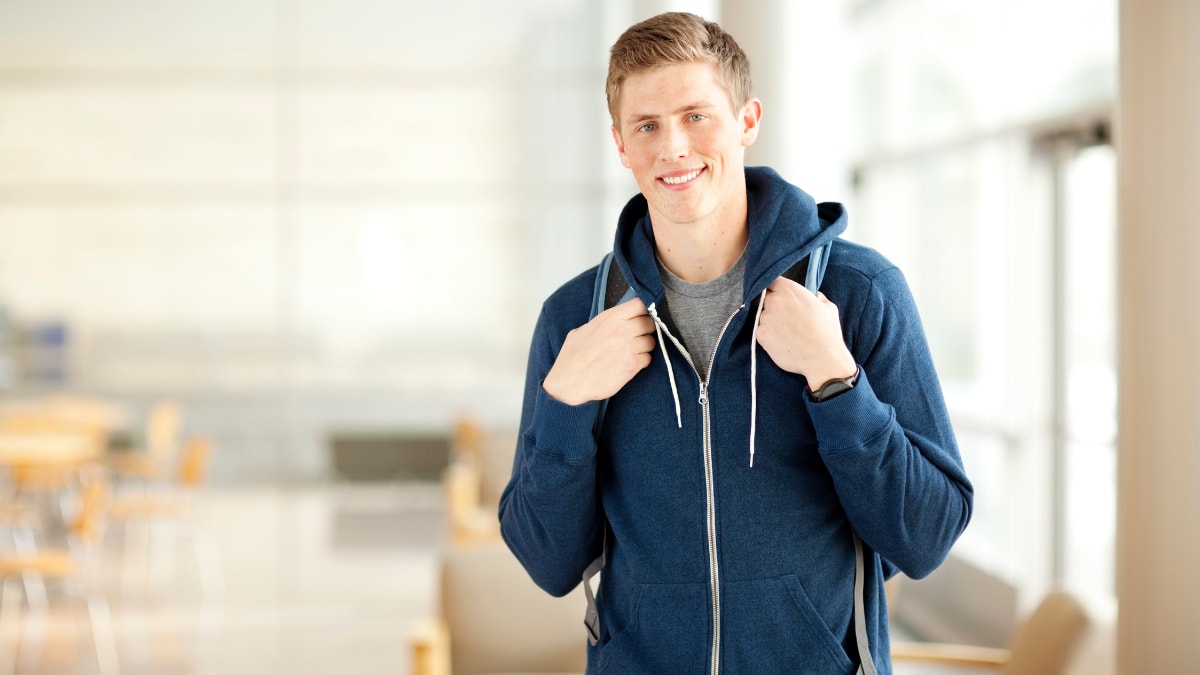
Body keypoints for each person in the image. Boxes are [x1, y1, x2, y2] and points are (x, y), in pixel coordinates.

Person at [499, 11, 972, 674]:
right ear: (620, 144)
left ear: (747, 121)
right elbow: (548, 561)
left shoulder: (860, 293)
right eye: (648, 125)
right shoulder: (576, 318)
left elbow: (927, 535)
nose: (673, 148)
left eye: (697, 116)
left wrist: (837, 382)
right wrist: (565, 402)